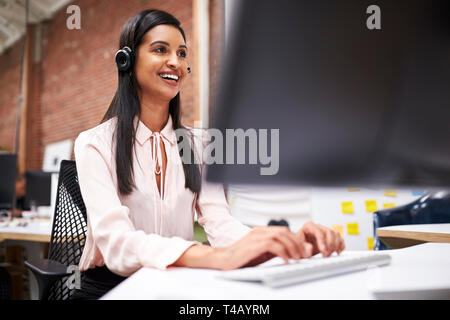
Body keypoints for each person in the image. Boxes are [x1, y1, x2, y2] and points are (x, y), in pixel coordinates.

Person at [71, 9, 345, 300]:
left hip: (173, 281)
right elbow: (117, 243)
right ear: (126, 60)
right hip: (108, 288)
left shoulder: (198, 144)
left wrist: (284, 244)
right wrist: (213, 257)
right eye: (160, 50)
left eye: (182, 53)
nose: (175, 62)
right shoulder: (95, 144)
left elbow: (219, 222)